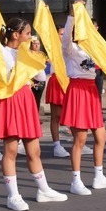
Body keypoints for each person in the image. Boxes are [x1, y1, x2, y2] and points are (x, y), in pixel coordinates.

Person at [0, 18, 67, 211]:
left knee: (34, 150)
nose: (30, 37)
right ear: (16, 35)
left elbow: (41, 77)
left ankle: (43, 190)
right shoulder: (2, 51)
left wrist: (34, 58)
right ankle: (13, 196)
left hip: (26, 98)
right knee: (10, 151)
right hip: (10, 98)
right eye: (27, 34)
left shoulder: (25, 53)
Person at [60, 7, 106, 195]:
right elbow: (66, 38)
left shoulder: (94, 49)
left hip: (92, 91)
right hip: (78, 90)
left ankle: (98, 176)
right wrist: (71, 16)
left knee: (101, 136)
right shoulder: (71, 48)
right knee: (80, 139)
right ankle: (75, 181)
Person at [44, 25, 71, 158]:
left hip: (70, 81)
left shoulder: (70, 47)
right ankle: (57, 145)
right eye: (61, 34)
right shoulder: (54, 48)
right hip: (57, 82)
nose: (63, 36)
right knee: (56, 116)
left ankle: (78, 142)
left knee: (74, 115)